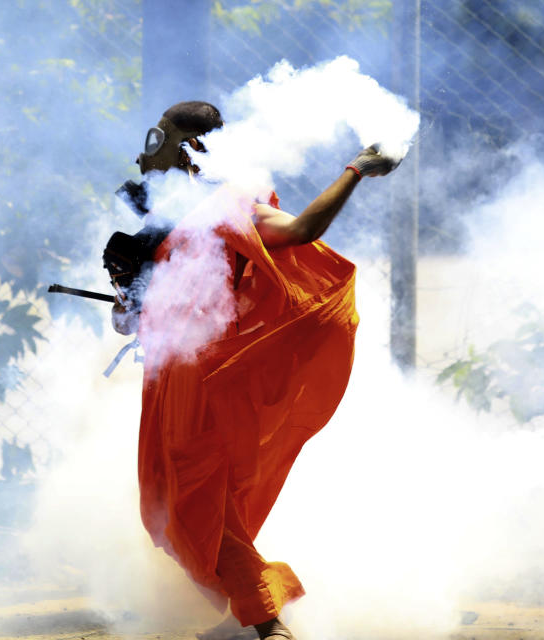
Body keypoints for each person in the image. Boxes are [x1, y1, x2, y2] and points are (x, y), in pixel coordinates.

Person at [104, 101, 398, 640]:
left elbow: (306, 228)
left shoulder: (231, 208)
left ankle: (267, 621)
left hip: (213, 378)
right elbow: (131, 323)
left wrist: (356, 168)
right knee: (167, 506)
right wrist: (130, 295)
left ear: (190, 150)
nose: (145, 154)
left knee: (196, 501)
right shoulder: (162, 224)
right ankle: (252, 610)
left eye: (159, 139)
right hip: (171, 381)